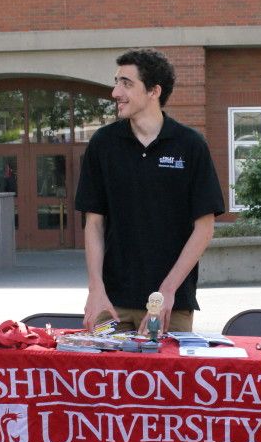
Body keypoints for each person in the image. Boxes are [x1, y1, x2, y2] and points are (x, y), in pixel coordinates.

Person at [75, 48, 225, 336]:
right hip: (110, 302)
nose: (115, 91)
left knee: (170, 381)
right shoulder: (103, 144)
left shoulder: (190, 145)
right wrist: (95, 289)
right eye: (116, 81)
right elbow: (94, 223)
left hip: (171, 304)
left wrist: (167, 291)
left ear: (154, 91)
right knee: (102, 380)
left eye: (126, 83)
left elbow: (204, 228)